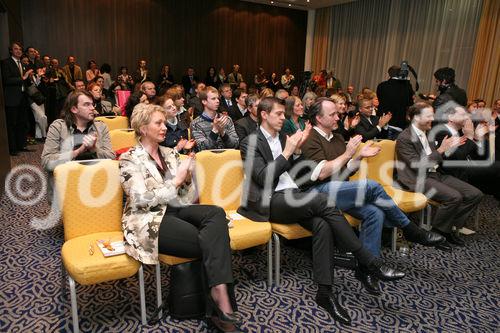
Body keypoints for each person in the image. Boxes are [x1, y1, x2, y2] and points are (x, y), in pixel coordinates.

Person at [237, 97, 405, 326]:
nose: (283, 118)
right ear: (264, 115)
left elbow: (300, 174)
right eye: (278, 114)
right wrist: (288, 152)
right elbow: (263, 178)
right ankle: (368, 261)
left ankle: (325, 293)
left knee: (322, 223)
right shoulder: (250, 141)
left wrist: (296, 153)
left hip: (293, 194)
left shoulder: (287, 138)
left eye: (283, 114)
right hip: (270, 201)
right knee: (323, 200)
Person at [300, 98, 445, 294]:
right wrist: (349, 153)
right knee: (371, 186)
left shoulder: (335, 138)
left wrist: (358, 157)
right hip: (315, 194)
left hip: (337, 189)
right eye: (332, 114)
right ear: (318, 118)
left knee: (374, 212)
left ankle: (368, 268)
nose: (338, 116)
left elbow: (343, 173)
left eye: (337, 113)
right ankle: (410, 229)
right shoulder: (309, 139)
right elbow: (322, 174)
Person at [119, 103, 239, 332]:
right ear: (143, 128)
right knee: (212, 239)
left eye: (164, 122)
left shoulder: (170, 153)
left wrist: (187, 179)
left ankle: (217, 296)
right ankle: (222, 302)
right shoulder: (129, 159)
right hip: (149, 219)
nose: (165, 127)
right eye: (158, 123)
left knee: (216, 213)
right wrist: (175, 181)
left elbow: (188, 196)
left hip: (175, 209)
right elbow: (140, 200)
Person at [395, 102, 483, 247]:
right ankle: (438, 232)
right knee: (455, 197)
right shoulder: (404, 138)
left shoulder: (426, 133)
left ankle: (449, 227)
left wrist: (448, 149)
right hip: (416, 179)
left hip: (435, 174)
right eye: (429, 115)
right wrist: (441, 150)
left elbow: (434, 157)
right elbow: (417, 165)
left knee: (475, 194)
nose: (433, 118)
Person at [41, 90, 115, 198]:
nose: (93, 108)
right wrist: (77, 152)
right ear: (74, 109)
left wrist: (94, 149)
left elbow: (111, 158)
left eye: (92, 104)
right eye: (86, 105)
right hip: (66, 188)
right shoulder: (58, 127)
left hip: (97, 185)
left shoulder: (101, 127)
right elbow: (46, 162)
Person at [1, 41, 33, 155]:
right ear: (11, 51)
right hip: (12, 99)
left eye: (20, 49)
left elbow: (26, 82)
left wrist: (31, 78)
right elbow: (6, 80)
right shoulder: (6, 63)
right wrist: (23, 77)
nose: (18, 51)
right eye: (16, 49)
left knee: (22, 123)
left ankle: (21, 145)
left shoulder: (23, 64)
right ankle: (12, 149)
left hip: (23, 98)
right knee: (12, 124)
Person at [191, 86, 239, 152]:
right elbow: (201, 149)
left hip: (227, 159)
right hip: (208, 160)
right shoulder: (196, 123)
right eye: (213, 99)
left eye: (218, 98)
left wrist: (223, 133)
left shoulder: (226, 119)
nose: (217, 101)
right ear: (204, 101)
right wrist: (215, 130)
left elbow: (235, 145)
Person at [376, 65, 414, 139]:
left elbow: (380, 100)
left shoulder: (382, 85)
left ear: (389, 74)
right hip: (399, 122)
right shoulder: (406, 87)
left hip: (384, 121)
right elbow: (410, 103)